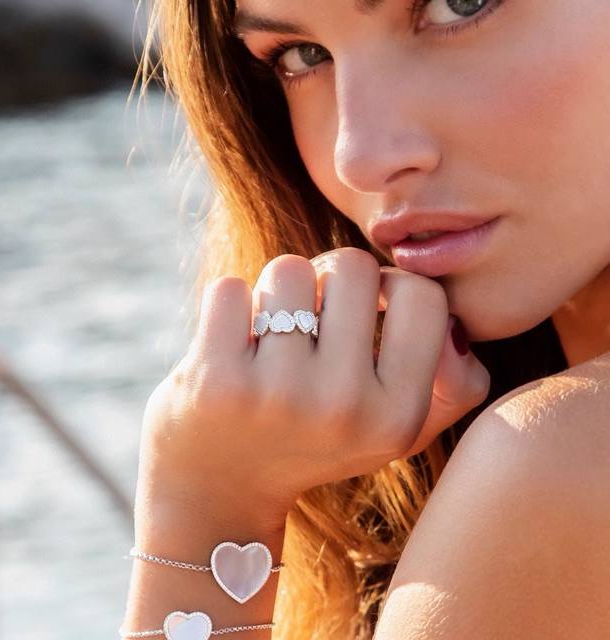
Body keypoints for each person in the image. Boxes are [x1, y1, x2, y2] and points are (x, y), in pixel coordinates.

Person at [120, 1, 610, 638]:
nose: (357, 156)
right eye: (303, 56)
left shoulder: (559, 466)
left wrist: (207, 513)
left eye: (459, 3)